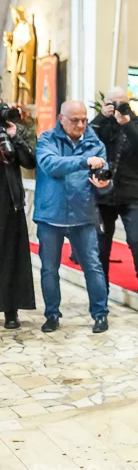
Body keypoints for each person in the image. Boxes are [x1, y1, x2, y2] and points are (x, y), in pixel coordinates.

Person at [34, 101, 113, 334]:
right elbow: (50, 165)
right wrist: (83, 161)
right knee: (49, 269)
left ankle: (100, 315)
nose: (81, 124)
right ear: (61, 118)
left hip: (83, 215)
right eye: (75, 120)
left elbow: (104, 179)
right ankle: (52, 315)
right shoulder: (47, 139)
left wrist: (104, 184)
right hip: (51, 215)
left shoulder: (95, 143)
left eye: (84, 119)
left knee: (93, 267)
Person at [90, 86, 138, 295]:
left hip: (132, 192)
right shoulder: (99, 124)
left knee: (136, 238)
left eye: (121, 103)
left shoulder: (137, 123)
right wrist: (102, 117)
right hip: (103, 192)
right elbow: (86, 141)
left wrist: (126, 123)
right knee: (102, 243)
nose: (117, 107)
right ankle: (103, 284)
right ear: (105, 104)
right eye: (112, 103)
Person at [0, 107, 35, 329]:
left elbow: (31, 161)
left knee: (11, 257)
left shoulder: (14, 130)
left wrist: (15, 139)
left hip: (8, 201)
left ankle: (10, 310)